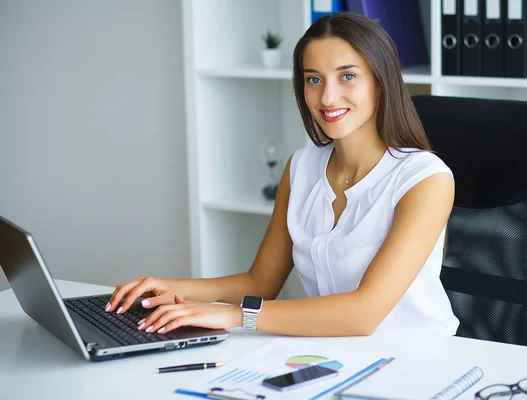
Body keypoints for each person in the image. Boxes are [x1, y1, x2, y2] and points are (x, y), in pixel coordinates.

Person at [105, 12, 459, 337]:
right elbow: (260, 281)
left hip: (416, 358)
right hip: (335, 353)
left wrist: (232, 315)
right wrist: (171, 288)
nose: (328, 96)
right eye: (314, 79)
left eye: (347, 76)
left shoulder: (425, 180)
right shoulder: (302, 168)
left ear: (381, 82)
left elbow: (363, 314)